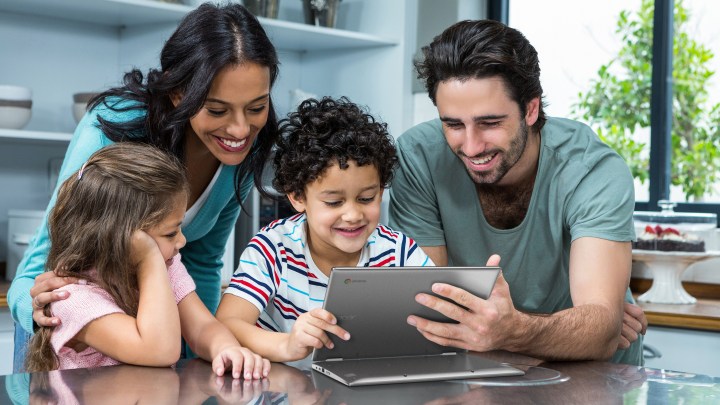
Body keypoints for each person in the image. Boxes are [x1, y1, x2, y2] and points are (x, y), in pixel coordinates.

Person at [8, 2, 280, 371]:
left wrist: (208, 355)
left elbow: (202, 264)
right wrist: (41, 312)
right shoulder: (114, 126)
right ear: (178, 92)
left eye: (256, 107)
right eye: (217, 110)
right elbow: (49, 259)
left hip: (152, 346)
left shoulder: (244, 155)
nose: (240, 130)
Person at [388, 20, 647, 365]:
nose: (470, 146)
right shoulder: (418, 157)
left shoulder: (592, 169)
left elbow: (600, 333)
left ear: (531, 109)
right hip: (484, 371)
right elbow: (428, 312)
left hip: (591, 379)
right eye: (452, 124)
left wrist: (515, 331)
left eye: (490, 123)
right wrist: (568, 325)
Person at [22, 143, 270, 378]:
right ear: (123, 238)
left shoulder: (167, 266)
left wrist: (225, 348)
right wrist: (149, 257)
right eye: (171, 233)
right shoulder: (73, 298)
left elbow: (203, 327)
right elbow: (159, 351)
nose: (182, 241)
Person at [215, 97, 433, 364]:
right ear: (297, 196)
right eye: (334, 202)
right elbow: (227, 324)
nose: (353, 215)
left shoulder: (397, 252)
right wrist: (288, 344)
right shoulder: (274, 248)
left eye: (366, 198)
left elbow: (435, 320)